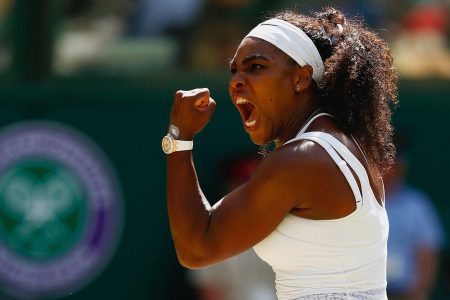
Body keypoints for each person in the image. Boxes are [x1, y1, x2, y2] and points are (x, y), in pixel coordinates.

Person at [163, 6, 398, 299]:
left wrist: (179, 138)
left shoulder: (303, 157)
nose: (236, 81)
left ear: (301, 78)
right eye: (234, 69)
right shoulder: (332, 145)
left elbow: (197, 248)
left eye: (256, 67)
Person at [385, 149, 444, 299]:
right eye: (386, 166)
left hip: (406, 292)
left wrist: (420, 291)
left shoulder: (417, 205)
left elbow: (429, 251)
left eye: (395, 166)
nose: (390, 171)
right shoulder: (361, 203)